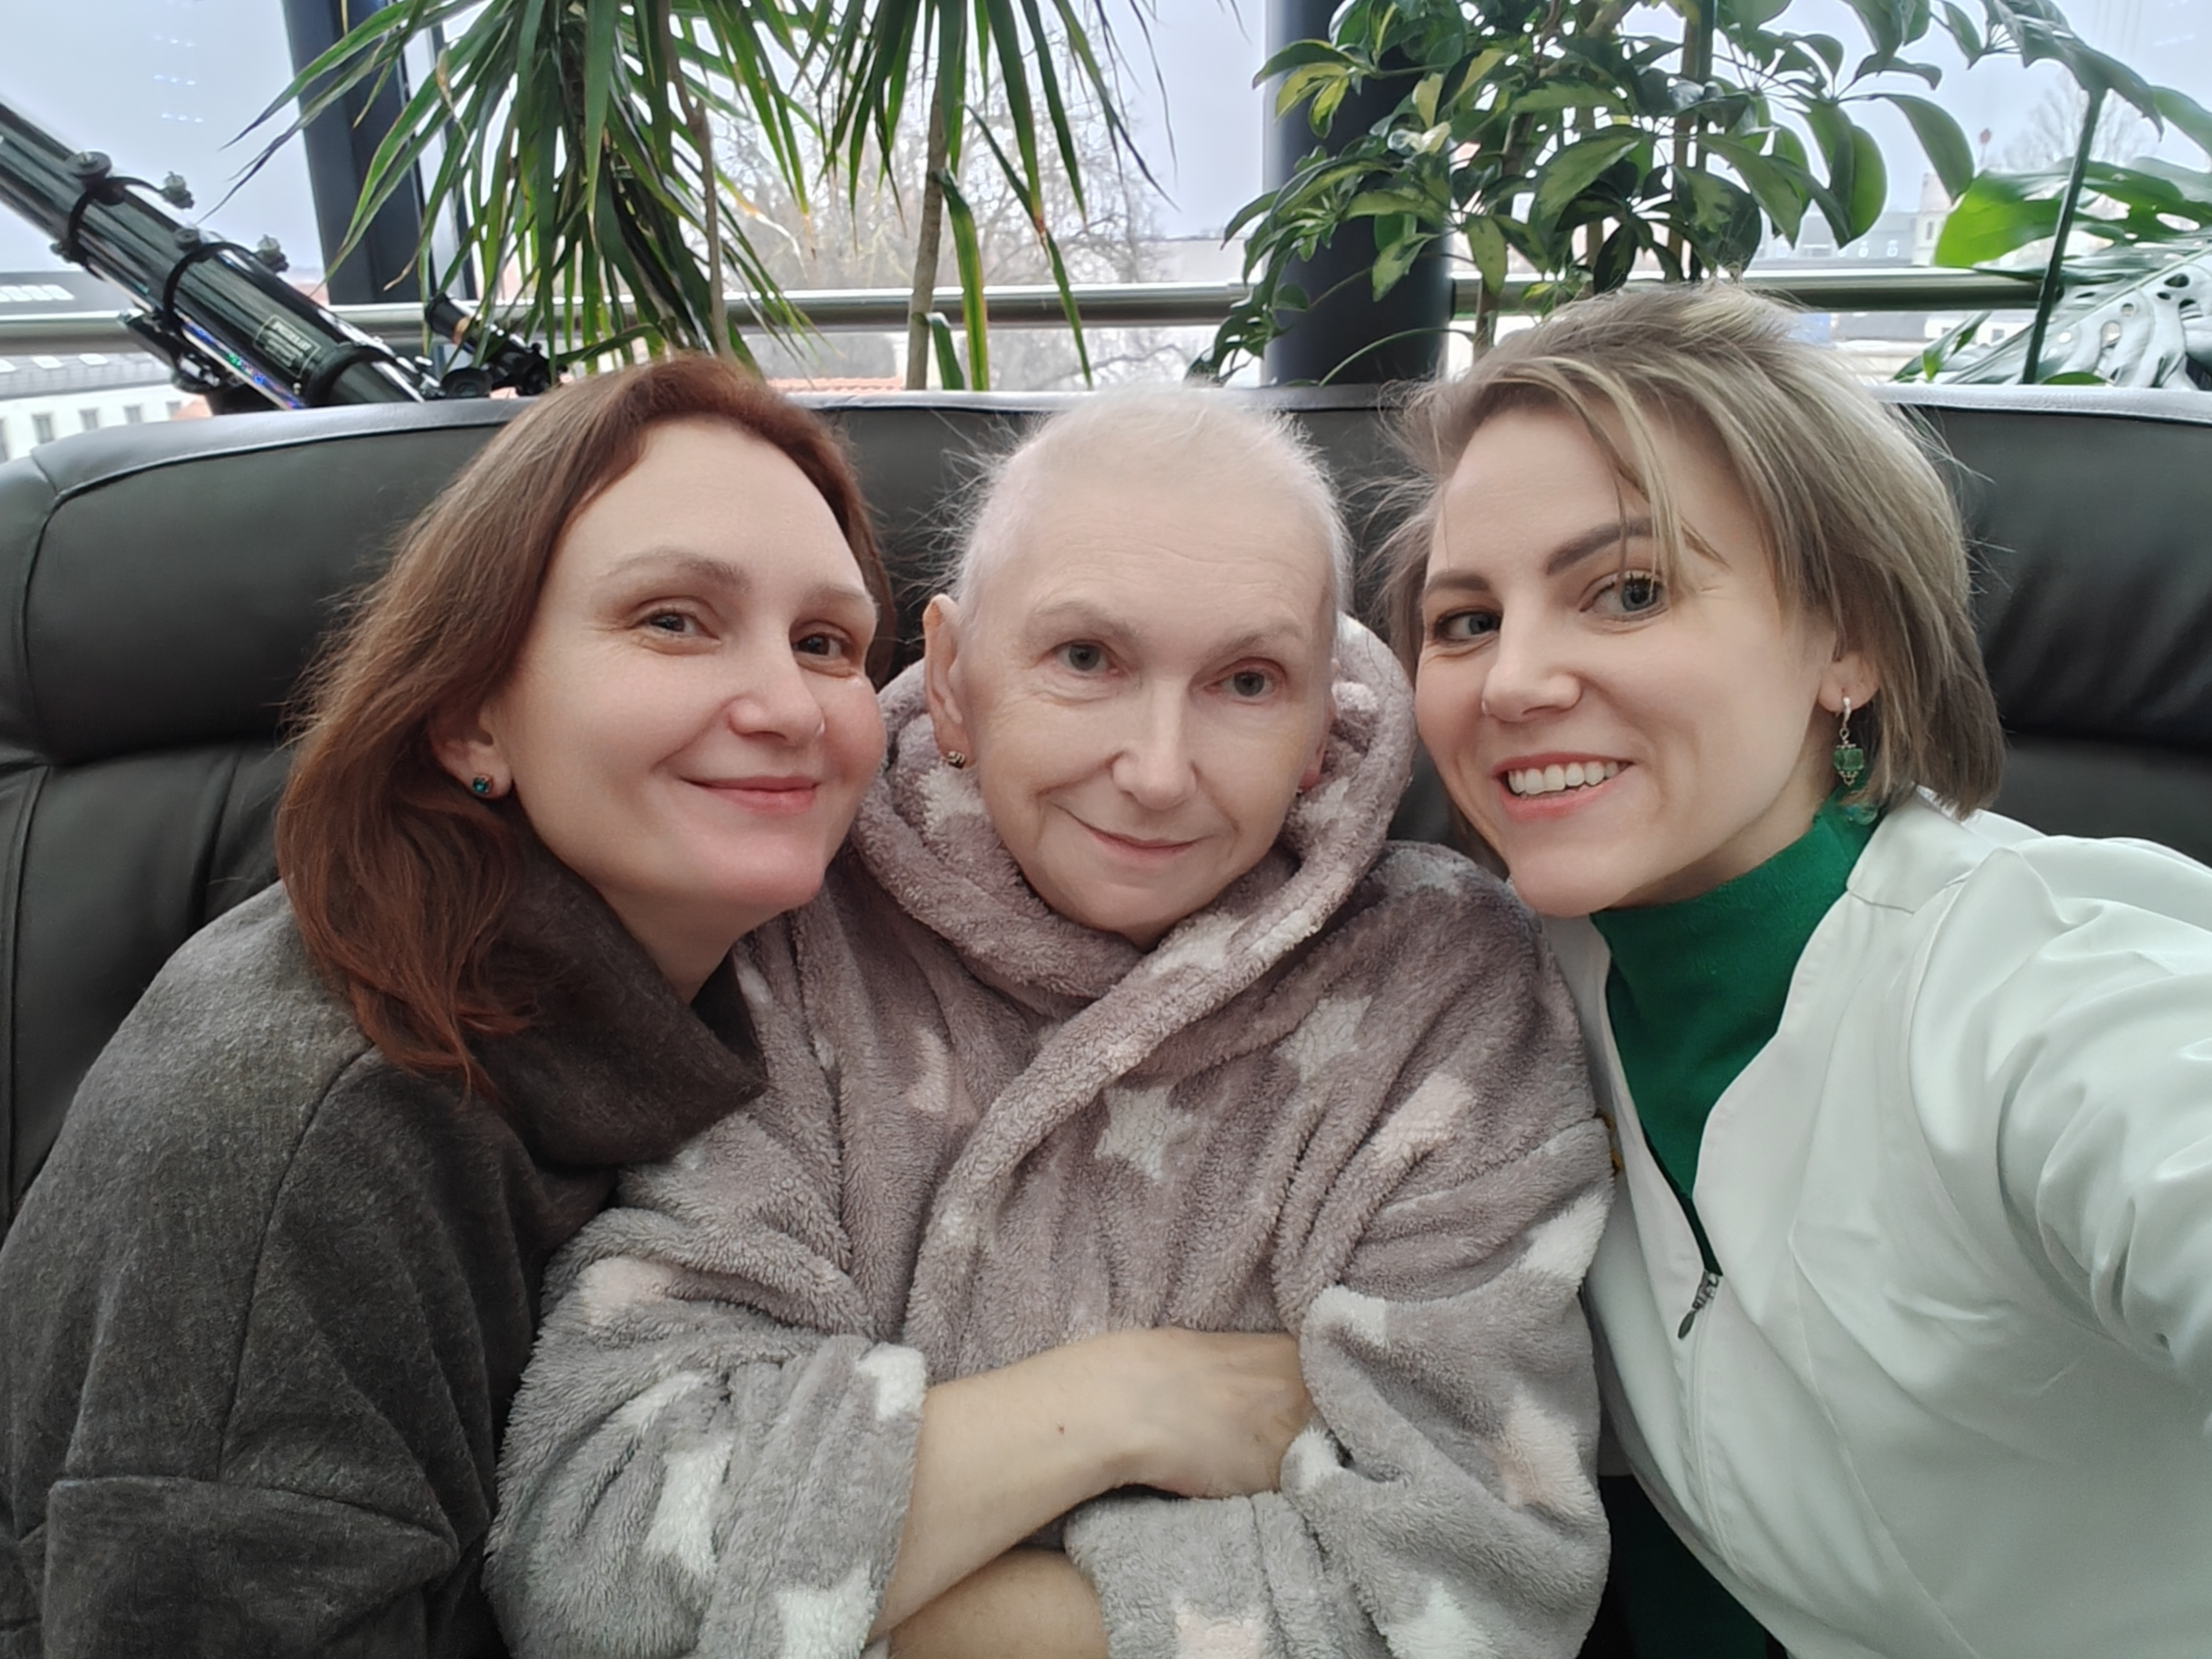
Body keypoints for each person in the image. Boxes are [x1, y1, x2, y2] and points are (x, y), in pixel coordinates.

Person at [486, 386, 1616, 1659]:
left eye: (1249, 682)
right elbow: (599, 1552)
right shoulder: (797, 927)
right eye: (1086, 660)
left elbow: (1475, 1594)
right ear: (953, 682)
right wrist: (1122, 1409)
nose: (1157, 772)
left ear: (1323, 726)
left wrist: (839, 1602)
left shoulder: (1441, 990)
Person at [0, 357, 894, 1656]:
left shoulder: (735, 975)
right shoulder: (318, 1140)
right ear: (474, 717)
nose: (789, 708)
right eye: (674, 621)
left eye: (826, 644)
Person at [1390, 282, 2212, 1659]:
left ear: (1850, 643)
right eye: (1465, 620)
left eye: (1630, 591)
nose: (1512, 682)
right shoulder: (1487, 997)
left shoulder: (2040, 988)